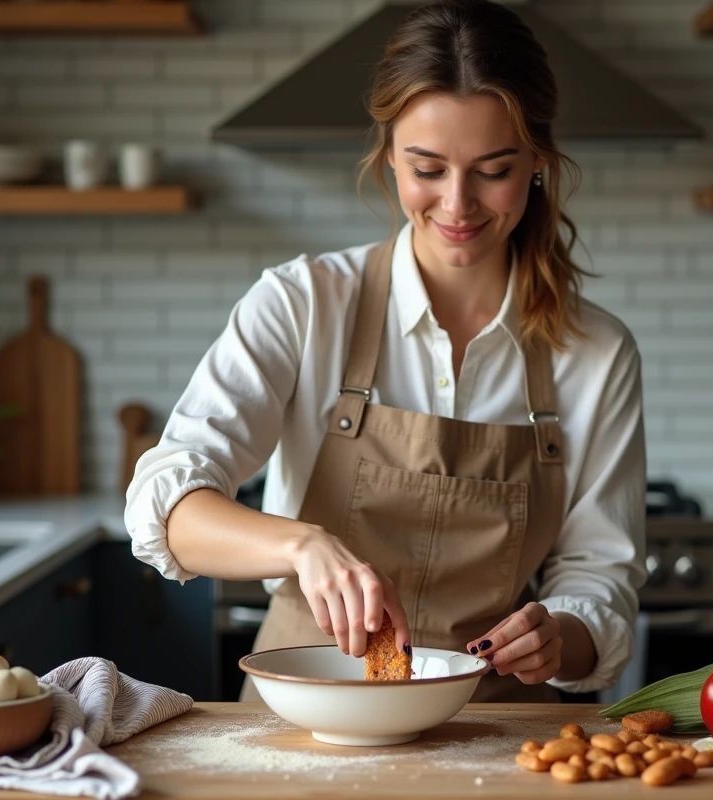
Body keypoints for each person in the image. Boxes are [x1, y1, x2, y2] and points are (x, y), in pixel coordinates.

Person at [125, 0, 646, 703]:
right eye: (426, 168)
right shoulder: (302, 302)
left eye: (493, 170)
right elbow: (168, 504)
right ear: (388, 157)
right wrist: (301, 545)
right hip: (304, 710)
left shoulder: (596, 351)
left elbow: (600, 576)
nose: (457, 204)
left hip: (495, 725)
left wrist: (561, 634)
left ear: (538, 164)